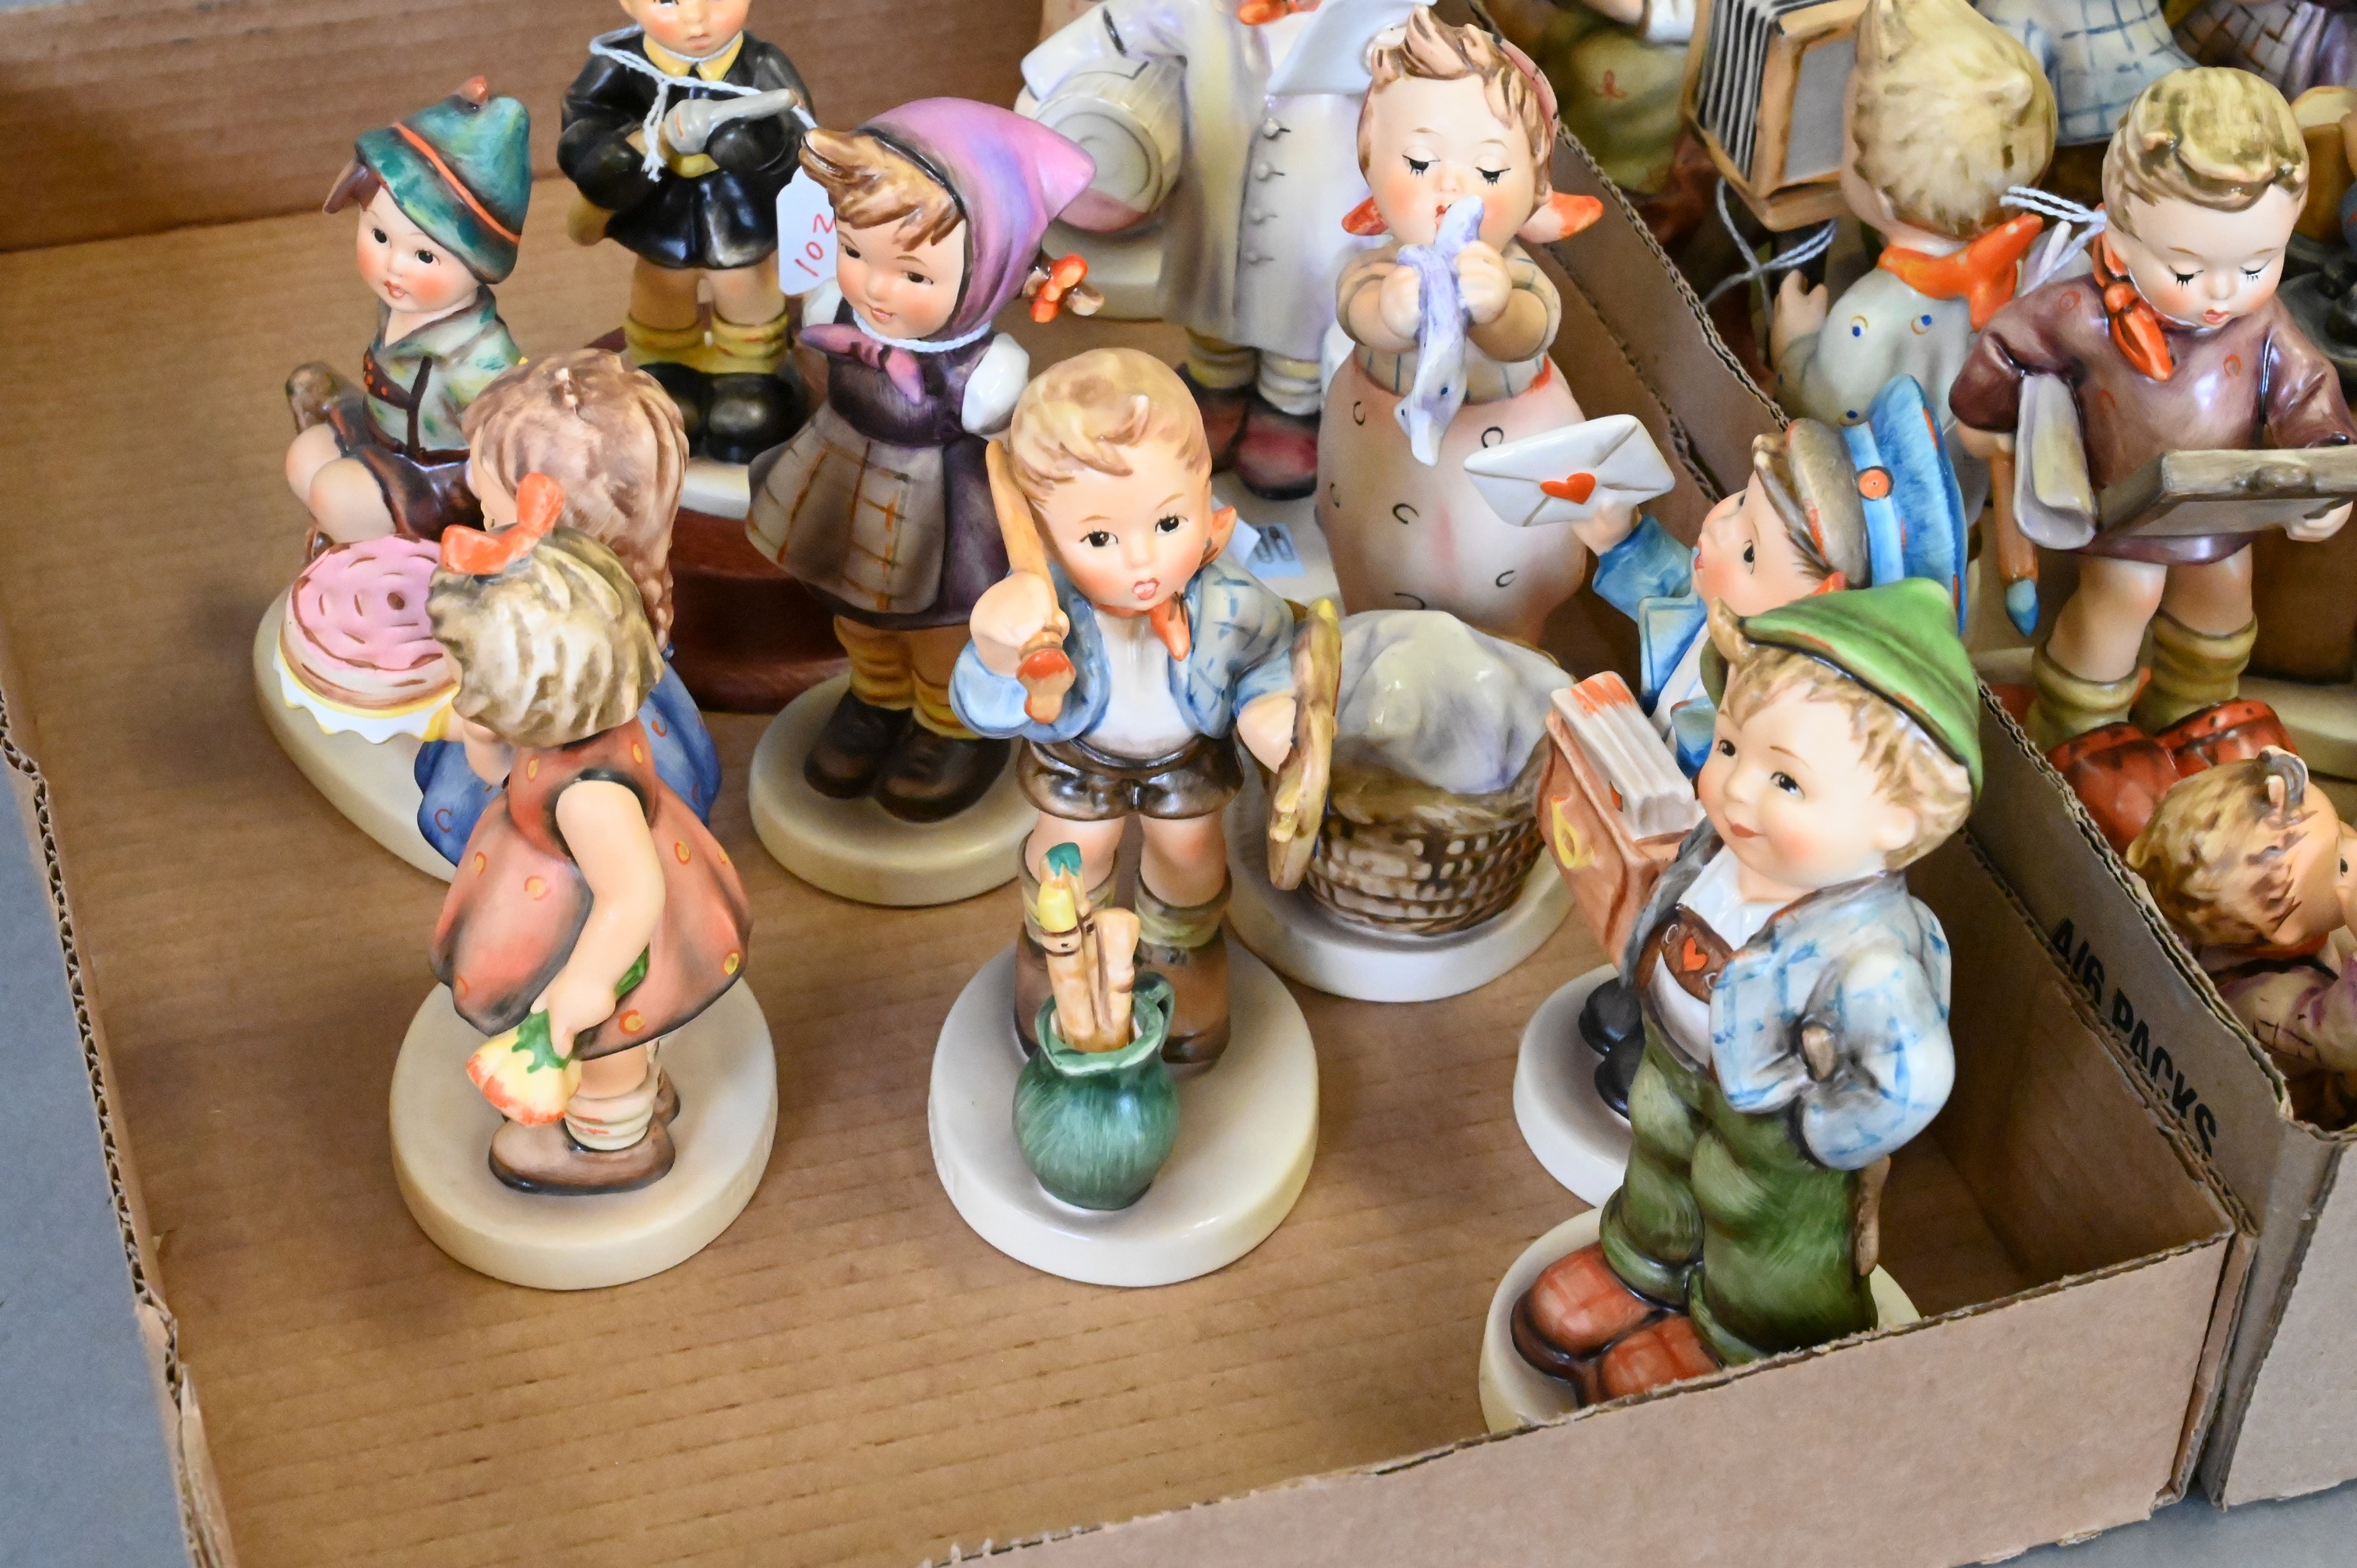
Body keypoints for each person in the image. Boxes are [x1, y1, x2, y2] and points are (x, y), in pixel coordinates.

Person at [1514, 580, 1981, 1404]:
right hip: (1678, 1057)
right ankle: (1644, 1263)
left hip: (1773, 1123)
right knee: (1660, 1149)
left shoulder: (1869, 956)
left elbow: (1913, 1078)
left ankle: (1746, 1334)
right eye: (1729, 748)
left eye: (1787, 781)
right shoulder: (1722, 848)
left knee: (1755, 1218)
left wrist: (1818, 1133)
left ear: (1900, 819)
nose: (1734, 789)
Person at [1950, 67, 2357, 751]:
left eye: (2258, 264)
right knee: (2124, 599)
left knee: (2224, 601)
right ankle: (2079, 726)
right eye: (2188, 270)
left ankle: (2194, 718)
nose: (2223, 292)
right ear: (2118, 240)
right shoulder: (2079, 312)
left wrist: (2324, 472)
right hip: (2123, 509)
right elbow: (2006, 348)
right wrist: (1987, 423)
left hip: (2221, 511)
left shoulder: (2261, 325)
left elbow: (2308, 390)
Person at [747, 100, 1097, 822]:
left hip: (942, 517)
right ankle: (876, 697)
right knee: (855, 619)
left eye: (912, 275)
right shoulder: (831, 311)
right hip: (843, 480)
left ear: (990, 271)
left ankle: (948, 724)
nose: (876, 289)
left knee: (942, 635)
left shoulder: (988, 375)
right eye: (855, 254)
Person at [953, 348, 1300, 1062]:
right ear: (1043, 537)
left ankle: (1180, 953)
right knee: (1069, 854)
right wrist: (996, 651)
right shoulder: (1045, 615)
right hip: (1080, 755)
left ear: (1204, 492)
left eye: (1169, 523)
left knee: (1189, 852)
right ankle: (1057, 952)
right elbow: (982, 709)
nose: (1142, 562)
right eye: (1100, 538)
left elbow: (1273, 652)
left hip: (1185, 753)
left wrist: (1269, 709)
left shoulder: (1227, 603)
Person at [427, 495, 751, 1194]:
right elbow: (503, 776)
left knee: (605, 1046)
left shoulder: (589, 796)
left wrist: (586, 982)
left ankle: (611, 1143)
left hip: (596, 930)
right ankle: (630, 1097)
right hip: (550, 883)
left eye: (464, 667)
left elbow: (631, 894)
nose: (456, 682)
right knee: (611, 1041)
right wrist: (485, 739)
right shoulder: (571, 726)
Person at [1319, 5, 1613, 646]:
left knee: (1506, 580)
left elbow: (1530, 332)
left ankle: (1512, 656)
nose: (1450, 186)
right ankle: (1378, 651)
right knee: (1380, 569)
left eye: (1490, 170)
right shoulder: (1379, 267)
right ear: (1371, 168)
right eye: (1418, 162)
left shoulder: (1516, 273)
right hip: (1385, 445)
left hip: (1506, 442)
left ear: (1536, 190)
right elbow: (1358, 312)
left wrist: (1500, 310)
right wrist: (1390, 313)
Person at [1024, 0, 1380, 496]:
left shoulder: (1372, 15)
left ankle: (1290, 404)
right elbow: (1120, 28)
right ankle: (1216, 384)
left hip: (1321, 196)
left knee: (1303, 299)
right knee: (1213, 285)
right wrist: (1042, 90)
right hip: (1216, 187)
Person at [414, 351, 723, 863]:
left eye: (494, 507)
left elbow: (507, 742)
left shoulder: (551, 649)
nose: (472, 490)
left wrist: (481, 737)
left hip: (551, 764)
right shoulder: (616, 607)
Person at [1772, 0, 2058, 526]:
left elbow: (1820, 413)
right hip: (1959, 506)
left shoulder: (1868, 316)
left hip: (1880, 528)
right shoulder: (2014, 275)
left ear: (1880, 192)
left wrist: (1793, 344)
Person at [559, 0, 812, 460]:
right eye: (668, 1)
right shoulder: (619, 66)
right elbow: (583, 126)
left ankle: (751, 372)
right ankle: (667, 367)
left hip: (737, 212)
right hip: (661, 209)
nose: (696, 18)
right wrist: (622, 152)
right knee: (661, 286)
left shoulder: (761, 63)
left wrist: (745, 143)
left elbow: (798, 133)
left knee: (744, 284)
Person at [284, 79, 531, 546]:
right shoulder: (401, 305)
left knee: (334, 494)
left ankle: (393, 567)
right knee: (305, 456)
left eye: (424, 256)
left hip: (438, 480)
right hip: (382, 438)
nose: (394, 266)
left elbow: (504, 446)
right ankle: (348, 543)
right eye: (380, 237)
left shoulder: (479, 357)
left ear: (478, 267)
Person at [2127, 749, 2357, 1128]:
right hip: (2310, 1096)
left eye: (2340, 830)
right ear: (2285, 930)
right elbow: (2343, 1040)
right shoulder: (2263, 1000)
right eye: (2342, 865)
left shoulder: (2308, 927)